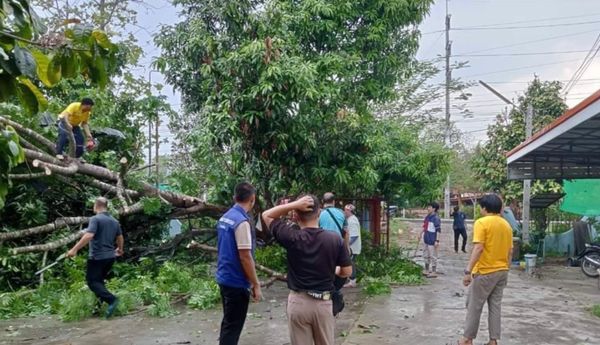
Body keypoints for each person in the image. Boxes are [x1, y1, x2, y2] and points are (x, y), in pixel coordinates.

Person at [262, 195, 352, 345]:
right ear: (319, 213)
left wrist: (294, 204)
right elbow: (347, 272)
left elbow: (266, 215)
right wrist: (334, 271)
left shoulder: (291, 237)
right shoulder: (334, 239)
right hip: (323, 304)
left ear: (295, 215)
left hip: (298, 303)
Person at [459, 194, 513, 345]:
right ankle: (493, 340)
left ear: (484, 208)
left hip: (485, 271)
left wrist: (468, 271)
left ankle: (467, 339)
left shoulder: (482, 223)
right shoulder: (506, 225)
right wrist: (506, 268)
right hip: (502, 271)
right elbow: (510, 251)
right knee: (495, 307)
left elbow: (478, 248)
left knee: (474, 306)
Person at [215, 182, 261, 345]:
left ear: (235, 197)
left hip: (224, 277)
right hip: (236, 281)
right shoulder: (241, 222)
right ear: (253, 199)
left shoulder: (225, 217)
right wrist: (255, 284)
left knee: (228, 322)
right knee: (233, 327)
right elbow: (245, 256)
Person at [66, 197, 123, 318]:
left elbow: (88, 236)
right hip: (110, 257)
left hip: (97, 257)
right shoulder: (114, 221)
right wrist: (120, 249)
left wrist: (74, 249)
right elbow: (120, 237)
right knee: (99, 282)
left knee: (92, 282)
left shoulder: (95, 219)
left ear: (96, 206)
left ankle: (112, 300)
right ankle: (97, 308)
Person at [421, 201, 441, 278]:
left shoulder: (436, 218)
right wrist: (420, 233)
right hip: (426, 238)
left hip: (432, 240)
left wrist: (437, 241)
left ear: (434, 209)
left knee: (433, 256)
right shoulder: (428, 217)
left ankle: (434, 271)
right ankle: (426, 269)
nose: (428, 208)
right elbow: (424, 226)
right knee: (425, 254)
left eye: (429, 207)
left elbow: (438, 230)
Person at [343, 203, 361, 288]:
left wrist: (346, 245)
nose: (344, 212)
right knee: (349, 262)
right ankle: (350, 279)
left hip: (352, 247)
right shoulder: (350, 219)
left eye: (345, 210)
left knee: (351, 263)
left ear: (349, 211)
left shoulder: (352, 220)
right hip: (351, 247)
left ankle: (352, 281)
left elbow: (354, 236)